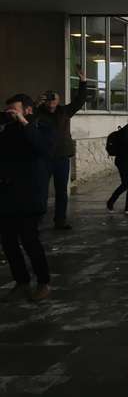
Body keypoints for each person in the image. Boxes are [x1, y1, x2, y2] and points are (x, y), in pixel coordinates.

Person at [0, 94, 54, 301]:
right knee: (8, 242)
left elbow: (43, 148)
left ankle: (43, 282)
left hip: (30, 196)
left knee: (30, 241)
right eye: (8, 111)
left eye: (14, 110)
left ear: (28, 110)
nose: (10, 114)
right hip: (7, 195)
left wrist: (24, 123)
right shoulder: (7, 130)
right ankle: (21, 281)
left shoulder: (41, 127)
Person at [35, 68, 87, 230]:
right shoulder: (37, 112)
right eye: (48, 99)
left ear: (58, 101)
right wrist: (36, 103)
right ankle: (36, 221)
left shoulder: (65, 111)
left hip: (62, 157)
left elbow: (80, 100)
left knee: (61, 192)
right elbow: (28, 120)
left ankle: (60, 220)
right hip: (43, 158)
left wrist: (83, 82)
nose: (51, 102)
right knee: (41, 191)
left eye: (54, 99)